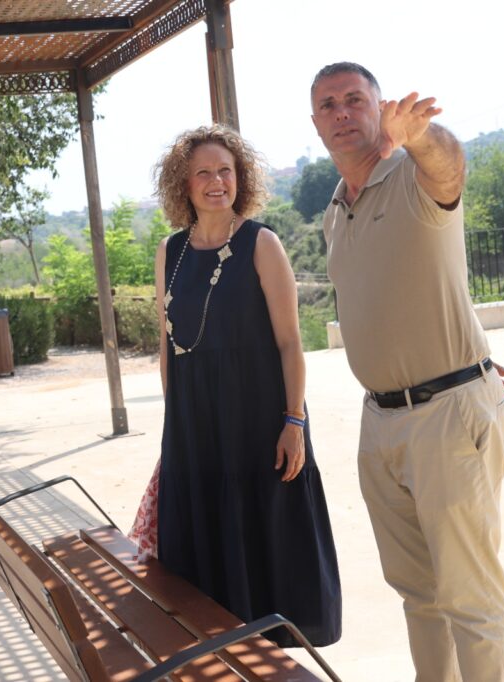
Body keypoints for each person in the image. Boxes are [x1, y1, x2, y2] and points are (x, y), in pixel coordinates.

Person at [310, 62, 504, 681]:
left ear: (380, 109)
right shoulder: (333, 210)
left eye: (355, 99)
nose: (342, 112)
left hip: (446, 418)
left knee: (470, 600)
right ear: (316, 122)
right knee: (419, 597)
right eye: (328, 105)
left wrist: (421, 135)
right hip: (380, 422)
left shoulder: (412, 171)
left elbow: (450, 166)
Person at [147, 125, 342, 648]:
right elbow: (168, 348)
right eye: (204, 173)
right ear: (183, 185)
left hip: (259, 422)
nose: (216, 181)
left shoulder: (261, 242)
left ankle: (270, 658)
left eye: (225, 171)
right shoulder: (170, 252)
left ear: (241, 179)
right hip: (196, 425)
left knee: (263, 541)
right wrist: (176, 431)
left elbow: (289, 344)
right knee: (206, 549)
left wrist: (294, 420)